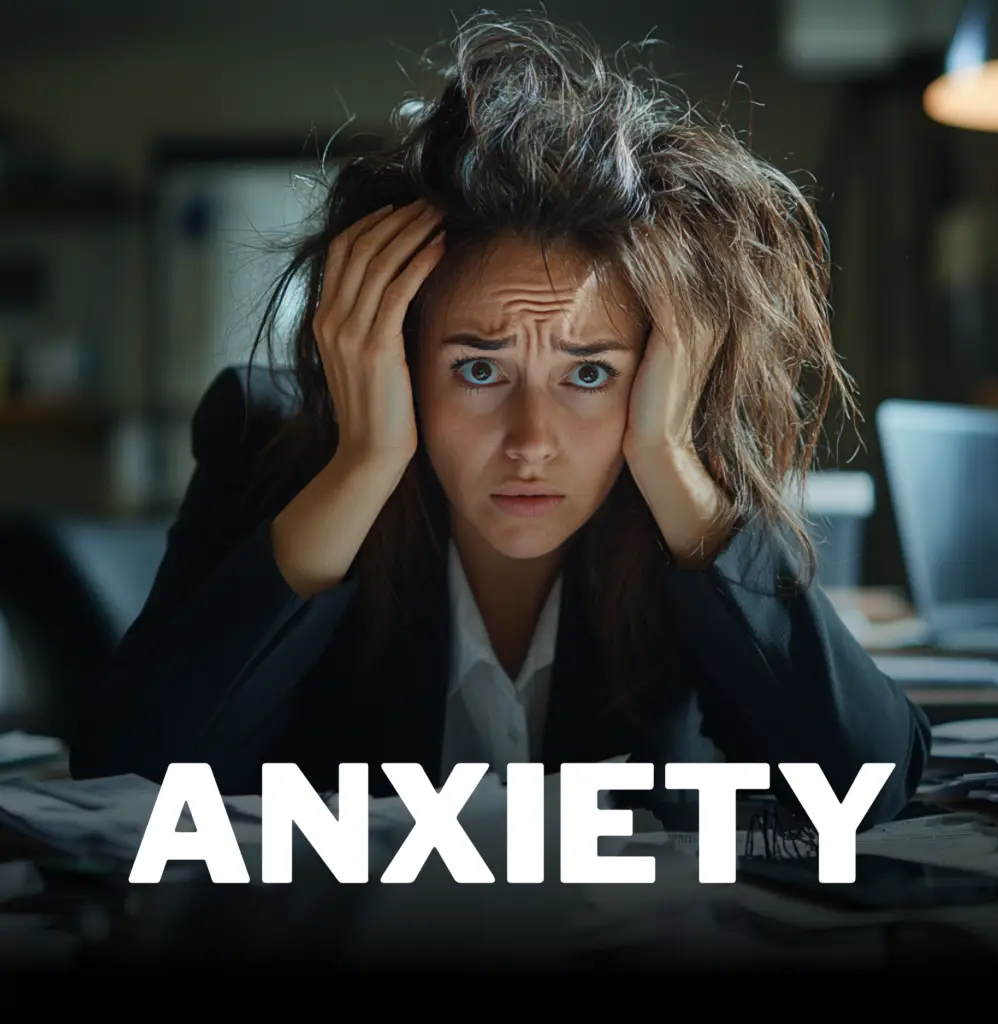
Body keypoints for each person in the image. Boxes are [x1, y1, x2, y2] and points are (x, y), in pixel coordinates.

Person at [70, 12, 930, 827]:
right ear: (400, 360)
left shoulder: (675, 491)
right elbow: (122, 773)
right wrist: (365, 463)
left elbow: (870, 785)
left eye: (588, 373)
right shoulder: (268, 446)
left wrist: (668, 453)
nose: (532, 441)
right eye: (479, 369)